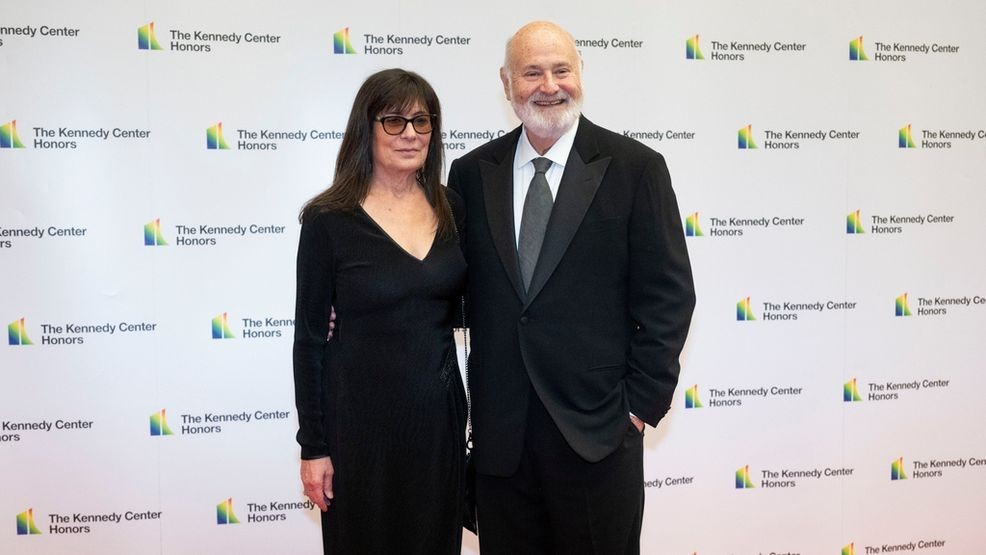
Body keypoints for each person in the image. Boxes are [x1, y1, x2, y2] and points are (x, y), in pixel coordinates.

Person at [447, 21, 695, 554]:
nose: (549, 85)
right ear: (506, 83)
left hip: (598, 437)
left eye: (561, 70)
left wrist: (637, 408)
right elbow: (451, 287)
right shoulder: (471, 174)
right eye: (531, 72)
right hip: (502, 445)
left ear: (580, 73)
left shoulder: (636, 169)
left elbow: (669, 297)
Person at [293, 68, 466, 554]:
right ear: (365, 128)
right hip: (357, 427)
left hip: (437, 422)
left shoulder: (453, 207)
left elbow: (466, 304)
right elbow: (308, 341)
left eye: (422, 121)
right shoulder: (329, 219)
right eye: (394, 121)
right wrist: (314, 447)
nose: (410, 134)